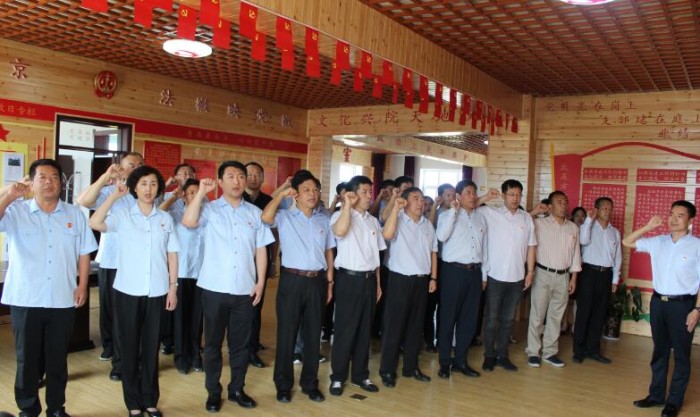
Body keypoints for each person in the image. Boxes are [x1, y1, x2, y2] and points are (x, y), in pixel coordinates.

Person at [0, 159, 97, 417]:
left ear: (61, 183)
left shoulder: (75, 214)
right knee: (27, 359)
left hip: (62, 298)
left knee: (57, 359)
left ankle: (56, 408)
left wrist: (82, 285)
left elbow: (84, 252)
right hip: (26, 297)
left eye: (54, 177)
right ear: (31, 183)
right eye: (42, 177)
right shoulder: (16, 211)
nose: (48, 182)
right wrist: (9, 195)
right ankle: (28, 408)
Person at [182, 161, 274, 413]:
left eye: (241, 176)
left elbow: (261, 249)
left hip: (245, 290)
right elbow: (188, 222)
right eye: (231, 176)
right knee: (212, 345)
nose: (237, 181)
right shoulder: (209, 210)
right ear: (220, 182)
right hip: (214, 289)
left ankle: (236, 389)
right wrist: (201, 193)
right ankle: (213, 392)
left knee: (240, 345)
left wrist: (260, 282)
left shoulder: (254, 213)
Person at [89, 165, 179, 417]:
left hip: (158, 290)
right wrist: (113, 197)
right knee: (128, 348)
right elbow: (95, 222)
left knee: (151, 347)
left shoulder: (165, 218)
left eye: (153, 184)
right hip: (127, 290)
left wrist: (173, 288)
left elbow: (172, 254)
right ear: (134, 188)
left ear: (159, 189)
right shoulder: (123, 215)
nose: (148, 189)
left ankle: (150, 401)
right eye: (143, 184)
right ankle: (133, 404)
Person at [261, 170, 336, 403]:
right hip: (292, 281)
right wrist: (281, 194)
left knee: (313, 335)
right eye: (306, 190)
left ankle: (310, 384)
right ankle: (283, 385)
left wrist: (330, 282)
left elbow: (329, 251)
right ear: (296, 194)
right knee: (287, 333)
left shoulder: (324, 219)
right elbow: (265, 218)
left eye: (315, 189)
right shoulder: (285, 216)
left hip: (317, 281)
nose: (312, 194)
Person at [623, 201, 700, 417]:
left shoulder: (697, 246)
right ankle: (656, 395)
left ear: (691, 220)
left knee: (681, 355)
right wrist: (648, 227)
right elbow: (627, 241)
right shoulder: (658, 241)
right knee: (660, 351)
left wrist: (697, 310)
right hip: (658, 303)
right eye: (671, 214)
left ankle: (674, 402)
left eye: (680, 215)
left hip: (683, 306)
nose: (673, 219)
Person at [75, 152, 144, 381]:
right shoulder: (109, 190)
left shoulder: (146, 192)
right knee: (111, 309)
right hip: (112, 259)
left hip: (137, 262)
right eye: (131, 164)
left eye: (140, 164)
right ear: (121, 168)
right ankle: (112, 349)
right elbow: (84, 201)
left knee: (133, 312)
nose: (136, 168)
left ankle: (132, 356)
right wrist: (106, 177)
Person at [329, 175, 386, 396]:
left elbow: (376, 256)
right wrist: (347, 205)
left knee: (364, 330)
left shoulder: (373, 221)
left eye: (370, 191)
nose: (368, 196)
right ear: (352, 194)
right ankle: (337, 377)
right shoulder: (339, 216)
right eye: (364, 191)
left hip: (369, 280)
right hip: (348, 280)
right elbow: (340, 232)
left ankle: (361, 375)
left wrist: (378, 283)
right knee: (345, 329)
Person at [378, 187, 438, 387]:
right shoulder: (398, 219)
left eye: (422, 199)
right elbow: (387, 234)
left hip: (422, 280)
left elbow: (433, 252)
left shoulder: (427, 225)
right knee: (394, 327)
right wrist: (396, 207)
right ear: (406, 202)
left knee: (415, 327)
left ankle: (411, 367)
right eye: (415, 198)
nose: (421, 203)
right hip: (400, 280)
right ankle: (387, 370)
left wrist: (433, 278)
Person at [478, 180, 537, 372]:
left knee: (507, 319)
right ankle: (489, 355)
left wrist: (530, 272)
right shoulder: (491, 213)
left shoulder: (526, 218)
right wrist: (486, 197)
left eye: (518, 194)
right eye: (511, 194)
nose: (515, 198)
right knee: (491, 318)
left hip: (517, 277)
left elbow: (531, 247)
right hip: (495, 275)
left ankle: (502, 355)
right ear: (504, 195)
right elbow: (470, 205)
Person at [435, 180, 487, 378]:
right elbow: (441, 236)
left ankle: (461, 361)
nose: (473, 196)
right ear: (458, 196)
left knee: (469, 319)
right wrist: (454, 212)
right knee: (448, 318)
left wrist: (484, 275)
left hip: (474, 273)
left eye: (474, 192)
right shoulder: (446, 215)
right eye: (468, 193)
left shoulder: (480, 218)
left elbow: (485, 248)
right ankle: (444, 362)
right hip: (453, 272)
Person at [525, 191, 581, 368]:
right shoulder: (539, 224)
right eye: (559, 202)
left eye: (565, 202)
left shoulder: (573, 228)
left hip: (564, 276)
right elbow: (521, 222)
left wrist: (573, 277)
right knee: (538, 315)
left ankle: (549, 352)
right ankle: (533, 352)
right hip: (543, 274)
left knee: (556, 317)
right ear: (550, 206)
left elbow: (576, 255)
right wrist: (535, 211)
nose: (563, 205)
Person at [160, 179, 205, 374]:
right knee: (180, 318)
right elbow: (159, 211)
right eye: (191, 192)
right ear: (184, 196)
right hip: (180, 273)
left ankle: (195, 355)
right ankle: (181, 358)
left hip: (201, 274)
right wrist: (173, 197)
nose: (195, 195)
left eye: (198, 192)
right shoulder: (175, 215)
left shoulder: (208, 216)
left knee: (197, 318)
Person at [574, 197, 622, 364]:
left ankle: (593, 350)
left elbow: (617, 257)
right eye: (604, 208)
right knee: (584, 312)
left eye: (610, 208)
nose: (608, 211)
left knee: (599, 314)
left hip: (606, 275)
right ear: (597, 209)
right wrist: (589, 219)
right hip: (589, 273)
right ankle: (579, 350)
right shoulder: (587, 226)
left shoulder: (615, 232)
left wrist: (615, 279)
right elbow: (583, 241)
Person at [159, 163, 196, 355]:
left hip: (196, 267)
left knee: (192, 309)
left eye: (190, 173)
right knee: (173, 307)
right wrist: (175, 195)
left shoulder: (204, 204)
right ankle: (169, 341)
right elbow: (160, 212)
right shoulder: (170, 201)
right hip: (176, 265)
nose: (187, 175)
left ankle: (191, 344)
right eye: (183, 173)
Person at [243, 161, 276, 368]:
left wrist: (273, 260)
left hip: (261, 260)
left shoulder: (268, 201)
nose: (253, 178)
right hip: (241, 260)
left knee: (256, 306)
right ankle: (242, 347)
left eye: (257, 174)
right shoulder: (239, 200)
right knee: (242, 307)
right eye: (249, 174)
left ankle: (252, 347)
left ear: (263, 178)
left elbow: (273, 233)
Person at [425, 183, 456, 352]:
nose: (452, 198)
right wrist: (434, 208)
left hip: (450, 264)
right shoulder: (436, 213)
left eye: (453, 194)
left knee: (446, 305)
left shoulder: (458, 212)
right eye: (448, 195)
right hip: (436, 262)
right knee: (431, 304)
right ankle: (429, 340)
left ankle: (442, 339)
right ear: (441, 197)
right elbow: (429, 229)